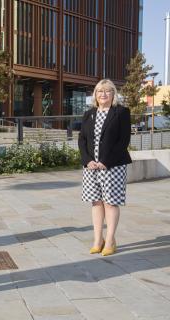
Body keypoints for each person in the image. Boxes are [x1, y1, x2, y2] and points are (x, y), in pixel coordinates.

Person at [78, 79, 132, 256]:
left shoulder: (121, 112)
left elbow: (123, 141)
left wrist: (105, 161)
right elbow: (82, 140)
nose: (103, 94)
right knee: (96, 202)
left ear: (113, 94)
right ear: (95, 94)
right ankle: (97, 239)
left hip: (113, 166)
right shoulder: (89, 114)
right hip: (91, 167)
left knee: (110, 203)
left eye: (107, 91)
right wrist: (87, 160)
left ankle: (109, 241)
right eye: (100, 91)